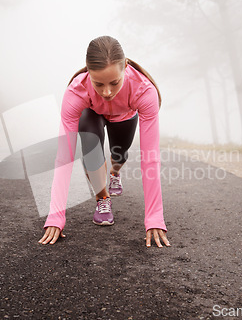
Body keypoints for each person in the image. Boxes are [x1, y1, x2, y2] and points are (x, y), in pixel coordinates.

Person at [38, 36, 170, 248]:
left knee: (119, 154)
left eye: (114, 82)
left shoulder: (144, 90)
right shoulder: (76, 92)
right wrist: (56, 216)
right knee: (91, 152)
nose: (107, 92)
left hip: (125, 117)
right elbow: (64, 157)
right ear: (88, 73)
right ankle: (102, 198)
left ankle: (115, 173)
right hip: (92, 114)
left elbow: (150, 158)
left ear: (125, 67)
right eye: (98, 84)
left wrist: (154, 218)